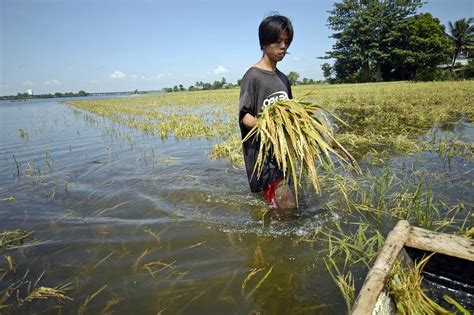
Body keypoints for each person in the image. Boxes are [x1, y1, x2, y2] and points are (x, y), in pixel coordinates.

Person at [239, 14, 296, 210]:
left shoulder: (283, 79)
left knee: (282, 207)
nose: (283, 46)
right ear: (264, 42)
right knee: (287, 205)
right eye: (278, 41)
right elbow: (244, 116)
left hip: (283, 155)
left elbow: (291, 113)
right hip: (264, 158)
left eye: (286, 41)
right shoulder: (253, 76)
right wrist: (268, 126)